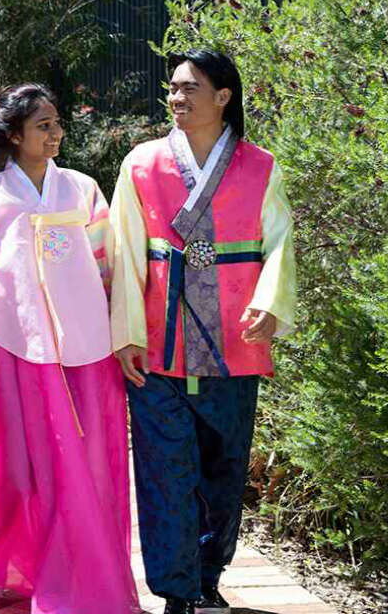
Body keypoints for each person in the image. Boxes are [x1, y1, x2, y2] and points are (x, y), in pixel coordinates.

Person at [107, 48, 297, 614]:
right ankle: (177, 590)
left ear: (223, 97)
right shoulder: (141, 164)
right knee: (165, 472)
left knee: (224, 467)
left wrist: (270, 302)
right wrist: (127, 332)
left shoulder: (260, 165)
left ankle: (208, 575)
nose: (176, 97)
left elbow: (280, 242)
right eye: (172, 87)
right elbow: (124, 251)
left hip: (234, 343)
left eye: (190, 88)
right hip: (159, 348)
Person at [0, 83, 139, 614]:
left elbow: (106, 270)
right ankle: (2, 567)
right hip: (11, 350)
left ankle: (79, 572)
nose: (56, 133)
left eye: (57, 122)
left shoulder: (83, 189)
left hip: (87, 353)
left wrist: (120, 339)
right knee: (12, 466)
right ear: (13, 134)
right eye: (43, 125)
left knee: (84, 466)